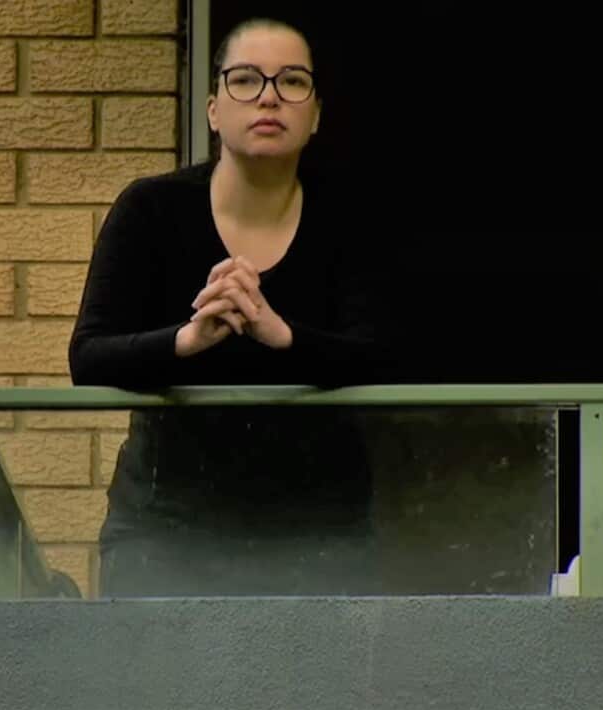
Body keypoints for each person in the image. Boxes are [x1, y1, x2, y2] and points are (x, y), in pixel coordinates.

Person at [69, 18, 382, 597]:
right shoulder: (150, 209)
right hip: (167, 528)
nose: (268, 95)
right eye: (245, 79)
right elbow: (88, 356)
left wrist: (279, 333)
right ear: (213, 109)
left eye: (292, 81)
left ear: (315, 115)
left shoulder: (350, 219)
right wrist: (186, 341)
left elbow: (382, 358)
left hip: (318, 532)